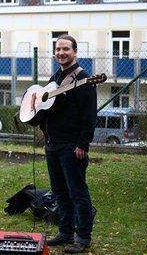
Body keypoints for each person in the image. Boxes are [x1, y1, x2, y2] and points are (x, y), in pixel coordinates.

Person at [40, 34, 97, 253]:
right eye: (58, 49)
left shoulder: (83, 78)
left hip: (72, 146)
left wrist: (83, 144)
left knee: (77, 192)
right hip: (53, 144)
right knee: (59, 192)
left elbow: (89, 115)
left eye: (66, 49)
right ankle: (65, 232)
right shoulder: (55, 77)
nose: (61, 53)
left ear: (75, 52)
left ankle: (83, 238)